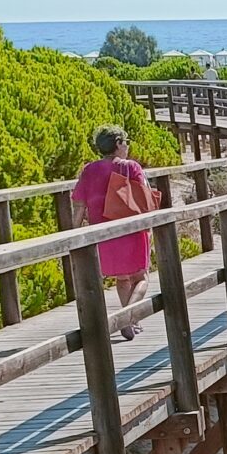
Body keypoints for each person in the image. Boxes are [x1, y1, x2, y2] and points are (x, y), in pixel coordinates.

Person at [73, 126, 155, 339]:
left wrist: (73, 234)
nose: (127, 147)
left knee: (122, 278)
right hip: (131, 229)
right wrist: (150, 226)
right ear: (118, 144)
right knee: (141, 277)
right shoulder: (131, 167)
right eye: (125, 142)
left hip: (103, 233)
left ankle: (131, 321)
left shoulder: (88, 170)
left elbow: (80, 204)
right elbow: (145, 198)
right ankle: (125, 317)